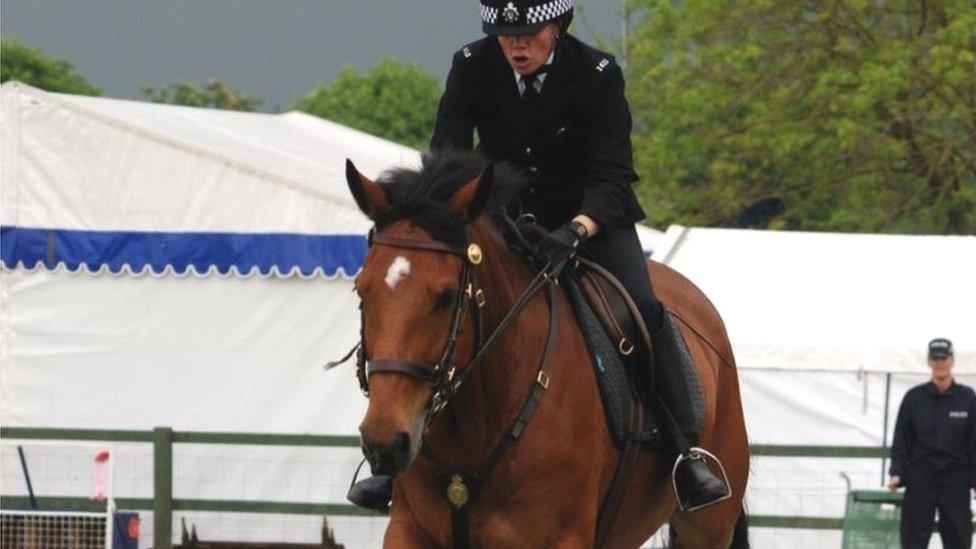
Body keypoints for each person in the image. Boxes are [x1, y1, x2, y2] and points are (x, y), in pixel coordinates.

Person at [348, 0, 730, 513]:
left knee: (644, 306)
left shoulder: (596, 73)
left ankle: (688, 453)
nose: (516, 45)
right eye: (505, 34)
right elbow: (446, 161)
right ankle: (395, 463)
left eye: (528, 33)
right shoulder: (471, 65)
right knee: (437, 312)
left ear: (558, 25)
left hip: (591, 222)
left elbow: (613, 176)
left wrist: (576, 228)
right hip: (503, 227)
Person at [888, 338, 976, 549]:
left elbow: (974, 443)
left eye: (943, 358)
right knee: (913, 540)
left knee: (959, 539)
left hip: (956, 480)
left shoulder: (968, 398)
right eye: (935, 358)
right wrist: (896, 471)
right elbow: (902, 439)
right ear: (929, 362)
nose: (940, 363)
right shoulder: (914, 398)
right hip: (920, 478)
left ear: (952, 360)